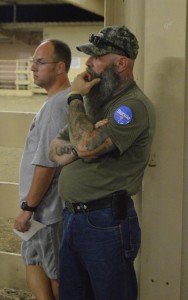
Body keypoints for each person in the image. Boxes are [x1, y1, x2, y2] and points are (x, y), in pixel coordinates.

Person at [49, 25, 156, 300]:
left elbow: (83, 145)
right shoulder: (95, 103)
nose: (88, 63)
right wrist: (84, 145)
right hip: (74, 217)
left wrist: (75, 97)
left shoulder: (132, 107)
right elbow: (54, 149)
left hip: (105, 222)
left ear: (121, 63)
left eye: (97, 57)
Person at [14, 39, 71, 300]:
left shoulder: (58, 105)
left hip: (45, 211)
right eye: (33, 62)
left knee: (56, 272)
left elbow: (47, 164)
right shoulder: (54, 103)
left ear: (60, 67)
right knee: (34, 261)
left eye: (40, 62)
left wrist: (28, 208)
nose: (33, 68)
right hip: (39, 211)